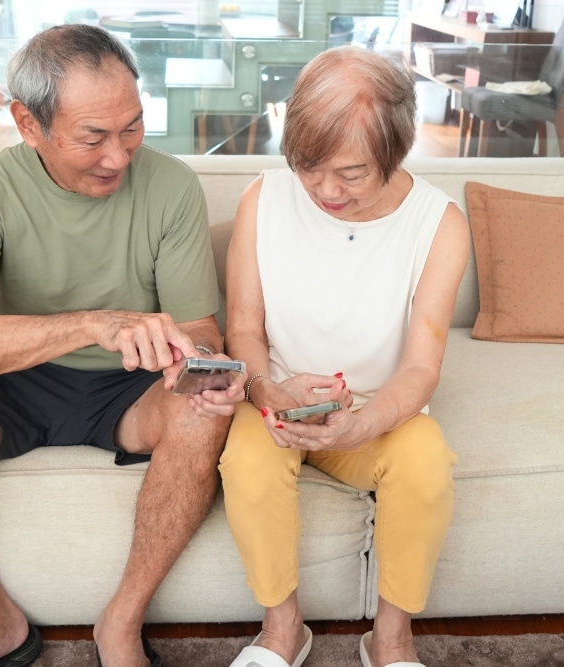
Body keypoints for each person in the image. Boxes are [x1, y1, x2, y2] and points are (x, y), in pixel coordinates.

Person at [0, 24, 242, 667]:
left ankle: (120, 625)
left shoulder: (172, 186)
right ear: (27, 123)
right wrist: (93, 323)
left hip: (128, 388)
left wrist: (193, 355)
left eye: (131, 128)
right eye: (93, 137)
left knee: (201, 406)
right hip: (6, 385)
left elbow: (204, 331)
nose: (118, 156)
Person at [220, 46, 470, 667]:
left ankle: (390, 639)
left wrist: (362, 423)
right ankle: (283, 632)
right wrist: (264, 391)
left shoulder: (438, 224)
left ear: (397, 151)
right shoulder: (262, 200)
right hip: (277, 403)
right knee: (245, 462)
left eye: (352, 173)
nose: (326, 190)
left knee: (426, 461)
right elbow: (244, 328)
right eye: (309, 166)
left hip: (376, 412)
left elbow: (420, 367)